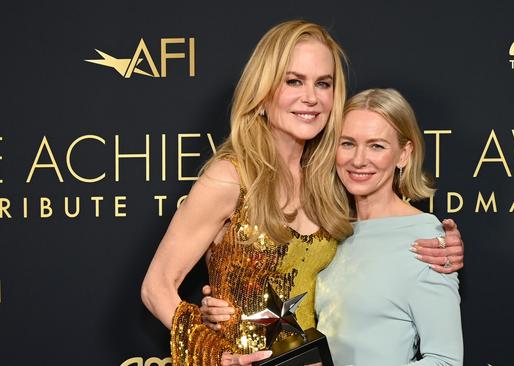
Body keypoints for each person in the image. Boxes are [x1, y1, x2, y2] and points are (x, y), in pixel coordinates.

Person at [141, 20, 464, 366]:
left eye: (323, 84)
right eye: (294, 81)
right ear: (263, 91)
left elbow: (379, 245)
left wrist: (446, 248)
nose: (310, 97)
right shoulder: (231, 177)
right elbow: (156, 287)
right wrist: (218, 355)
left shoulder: (330, 180)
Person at [316, 88, 463, 365]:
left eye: (376, 146)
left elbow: (446, 360)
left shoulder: (426, 240)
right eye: (347, 143)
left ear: (403, 154)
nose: (358, 160)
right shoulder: (330, 229)